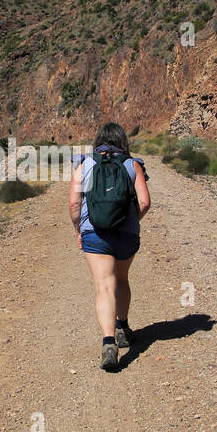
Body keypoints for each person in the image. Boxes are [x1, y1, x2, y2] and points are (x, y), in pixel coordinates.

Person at [69, 122, 150, 371]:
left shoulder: (85, 164)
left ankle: (108, 343)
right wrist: (131, 222)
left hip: (94, 234)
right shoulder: (132, 164)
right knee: (122, 280)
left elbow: (74, 204)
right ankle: (123, 329)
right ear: (123, 141)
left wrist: (78, 230)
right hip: (126, 235)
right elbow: (145, 203)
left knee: (104, 286)